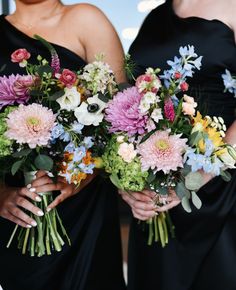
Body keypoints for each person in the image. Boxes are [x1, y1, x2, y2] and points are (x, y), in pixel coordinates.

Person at [0, 1, 126, 290]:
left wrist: (79, 177)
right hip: (18, 208)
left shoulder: (85, 19)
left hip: (84, 207)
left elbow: (120, 120)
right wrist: (0, 194)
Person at [120, 0, 236, 289]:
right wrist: (130, 184)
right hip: (157, 189)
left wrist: (198, 177)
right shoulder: (156, 17)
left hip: (223, 186)